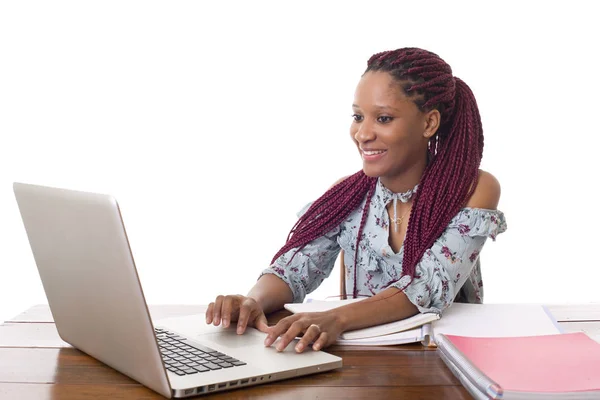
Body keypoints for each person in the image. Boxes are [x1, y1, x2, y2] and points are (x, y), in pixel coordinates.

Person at [206, 47, 507, 353]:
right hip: (364, 363)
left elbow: (425, 288)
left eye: (383, 118)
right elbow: (293, 270)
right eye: (358, 117)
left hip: (442, 364)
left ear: (429, 123)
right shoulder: (347, 196)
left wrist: (336, 317)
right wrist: (252, 300)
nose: (362, 134)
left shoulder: (473, 190)